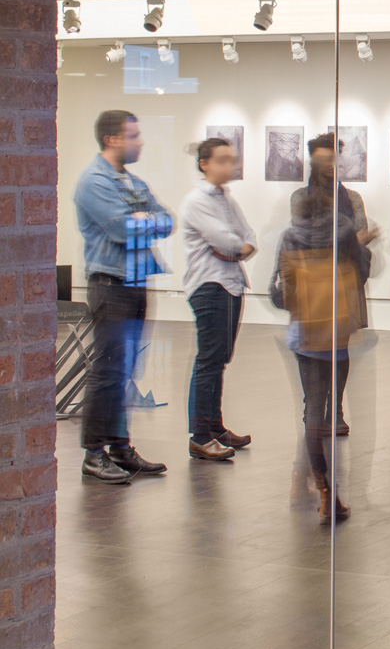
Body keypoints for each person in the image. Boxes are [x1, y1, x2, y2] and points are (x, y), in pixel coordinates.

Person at [73, 110, 173, 483]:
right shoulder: (93, 182)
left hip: (134, 284)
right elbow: (121, 229)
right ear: (113, 140)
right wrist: (144, 219)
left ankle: (119, 447)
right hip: (110, 286)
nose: (140, 142)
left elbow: (167, 219)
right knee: (107, 372)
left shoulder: (131, 182)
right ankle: (93, 453)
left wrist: (143, 220)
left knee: (125, 372)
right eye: (134, 135)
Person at [271, 176, 369, 522]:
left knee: (312, 412)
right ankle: (332, 497)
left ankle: (326, 492)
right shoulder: (343, 232)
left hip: (305, 334)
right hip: (336, 331)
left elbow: (278, 293)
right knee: (330, 411)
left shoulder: (289, 236)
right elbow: (362, 271)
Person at [291, 132, 376, 436]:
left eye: (335, 157)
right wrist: (347, 239)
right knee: (312, 350)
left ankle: (336, 409)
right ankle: (312, 407)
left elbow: (362, 234)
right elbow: (305, 237)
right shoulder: (301, 197)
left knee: (340, 350)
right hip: (314, 284)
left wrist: (345, 240)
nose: (331, 164)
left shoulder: (351, 198)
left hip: (345, 284)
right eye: (325, 158)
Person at [179, 138, 257, 461]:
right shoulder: (196, 201)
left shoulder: (226, 198)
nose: (230, 166)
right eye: (222, 160)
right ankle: (199, 436)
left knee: (220, 359)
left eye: (232, 160)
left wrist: (238, 248)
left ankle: (214, 426)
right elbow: (225, 241)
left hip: (232, 285)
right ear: (204, 164)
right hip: (209, 286)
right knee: (209, 360)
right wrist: (235, 248)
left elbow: (249, 239)